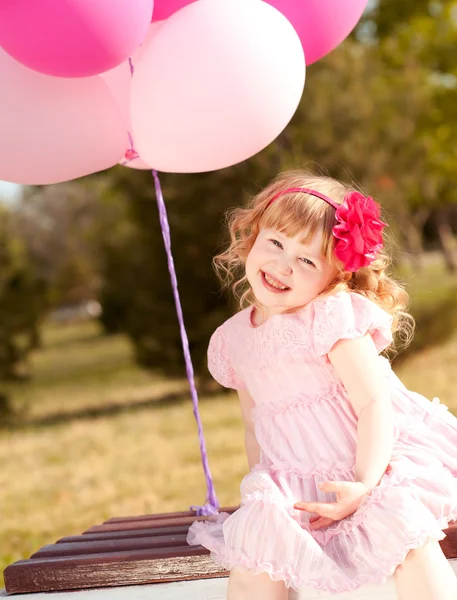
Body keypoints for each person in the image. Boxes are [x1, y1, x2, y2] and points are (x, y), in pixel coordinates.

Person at [186, 170, 457, 600]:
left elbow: (373, 404)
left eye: (307, 260)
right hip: (297, 471)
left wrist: (366, 482)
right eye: (275, 243)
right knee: (256, 558)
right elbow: (254, 425)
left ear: (333, 278)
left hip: (374, 452)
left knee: (406, 531)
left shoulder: (331, 318)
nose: (282, 265)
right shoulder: (234, 340)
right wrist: (264, 490)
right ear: (252, 237)